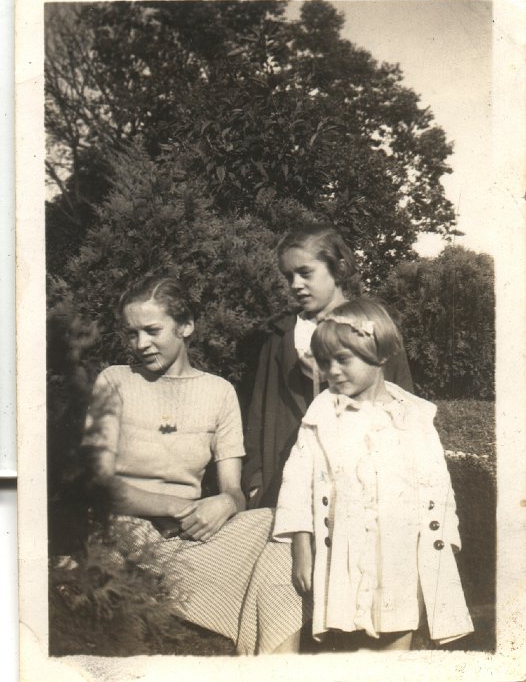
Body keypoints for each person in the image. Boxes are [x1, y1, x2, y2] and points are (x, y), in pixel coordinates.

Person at [81, 274, 305, 654]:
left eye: (152, 330)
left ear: (186, 326)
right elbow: (98, 483)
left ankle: (278, 666)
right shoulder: (115, 381)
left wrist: (227, 503)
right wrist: (178, 507)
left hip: (190, 535)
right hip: (125, 532)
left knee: (278, 526)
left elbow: (233, 489)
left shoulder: (219, 391)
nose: (140, 344)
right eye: (132, 334)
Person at [273, 298, 474, 650]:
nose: (332, 371)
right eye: (325, 361)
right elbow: (296, 481)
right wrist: (301, 548)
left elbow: (439, 490)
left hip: (400, 550)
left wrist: (437, 559)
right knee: (349, 640)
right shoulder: (323, 413)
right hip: (346, 548)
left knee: (397, 636)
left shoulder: (413, 416)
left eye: (343, 359)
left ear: (379, 356)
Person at [242, 223, 414, 508]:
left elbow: (402, 406)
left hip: (358, 490)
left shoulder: (371, 327)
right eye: (289, 276)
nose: (295, 284)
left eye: (305, 273)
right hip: (283, 489)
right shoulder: (280, 336)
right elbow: (257, 414)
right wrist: (255, 481)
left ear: (339, 268)